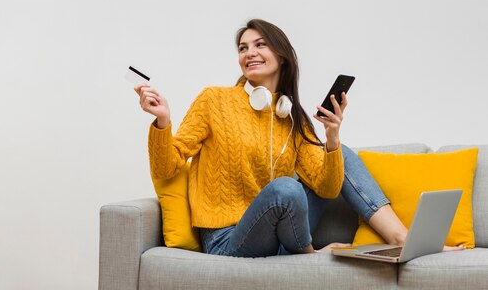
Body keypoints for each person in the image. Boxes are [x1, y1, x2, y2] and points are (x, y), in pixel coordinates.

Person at [135, 19, 463, 256]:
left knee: (341, 152)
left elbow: (327, 188)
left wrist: (332, 137)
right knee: (286, 188)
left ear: (282, 55)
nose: (249, 52)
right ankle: (307, 255)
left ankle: (403, 238)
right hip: (229, 240)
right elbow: (167, 168)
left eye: (260, 44)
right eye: (243, 48)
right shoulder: (214, 101)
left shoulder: (290, 117)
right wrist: (164, 121)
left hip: (278, 237)